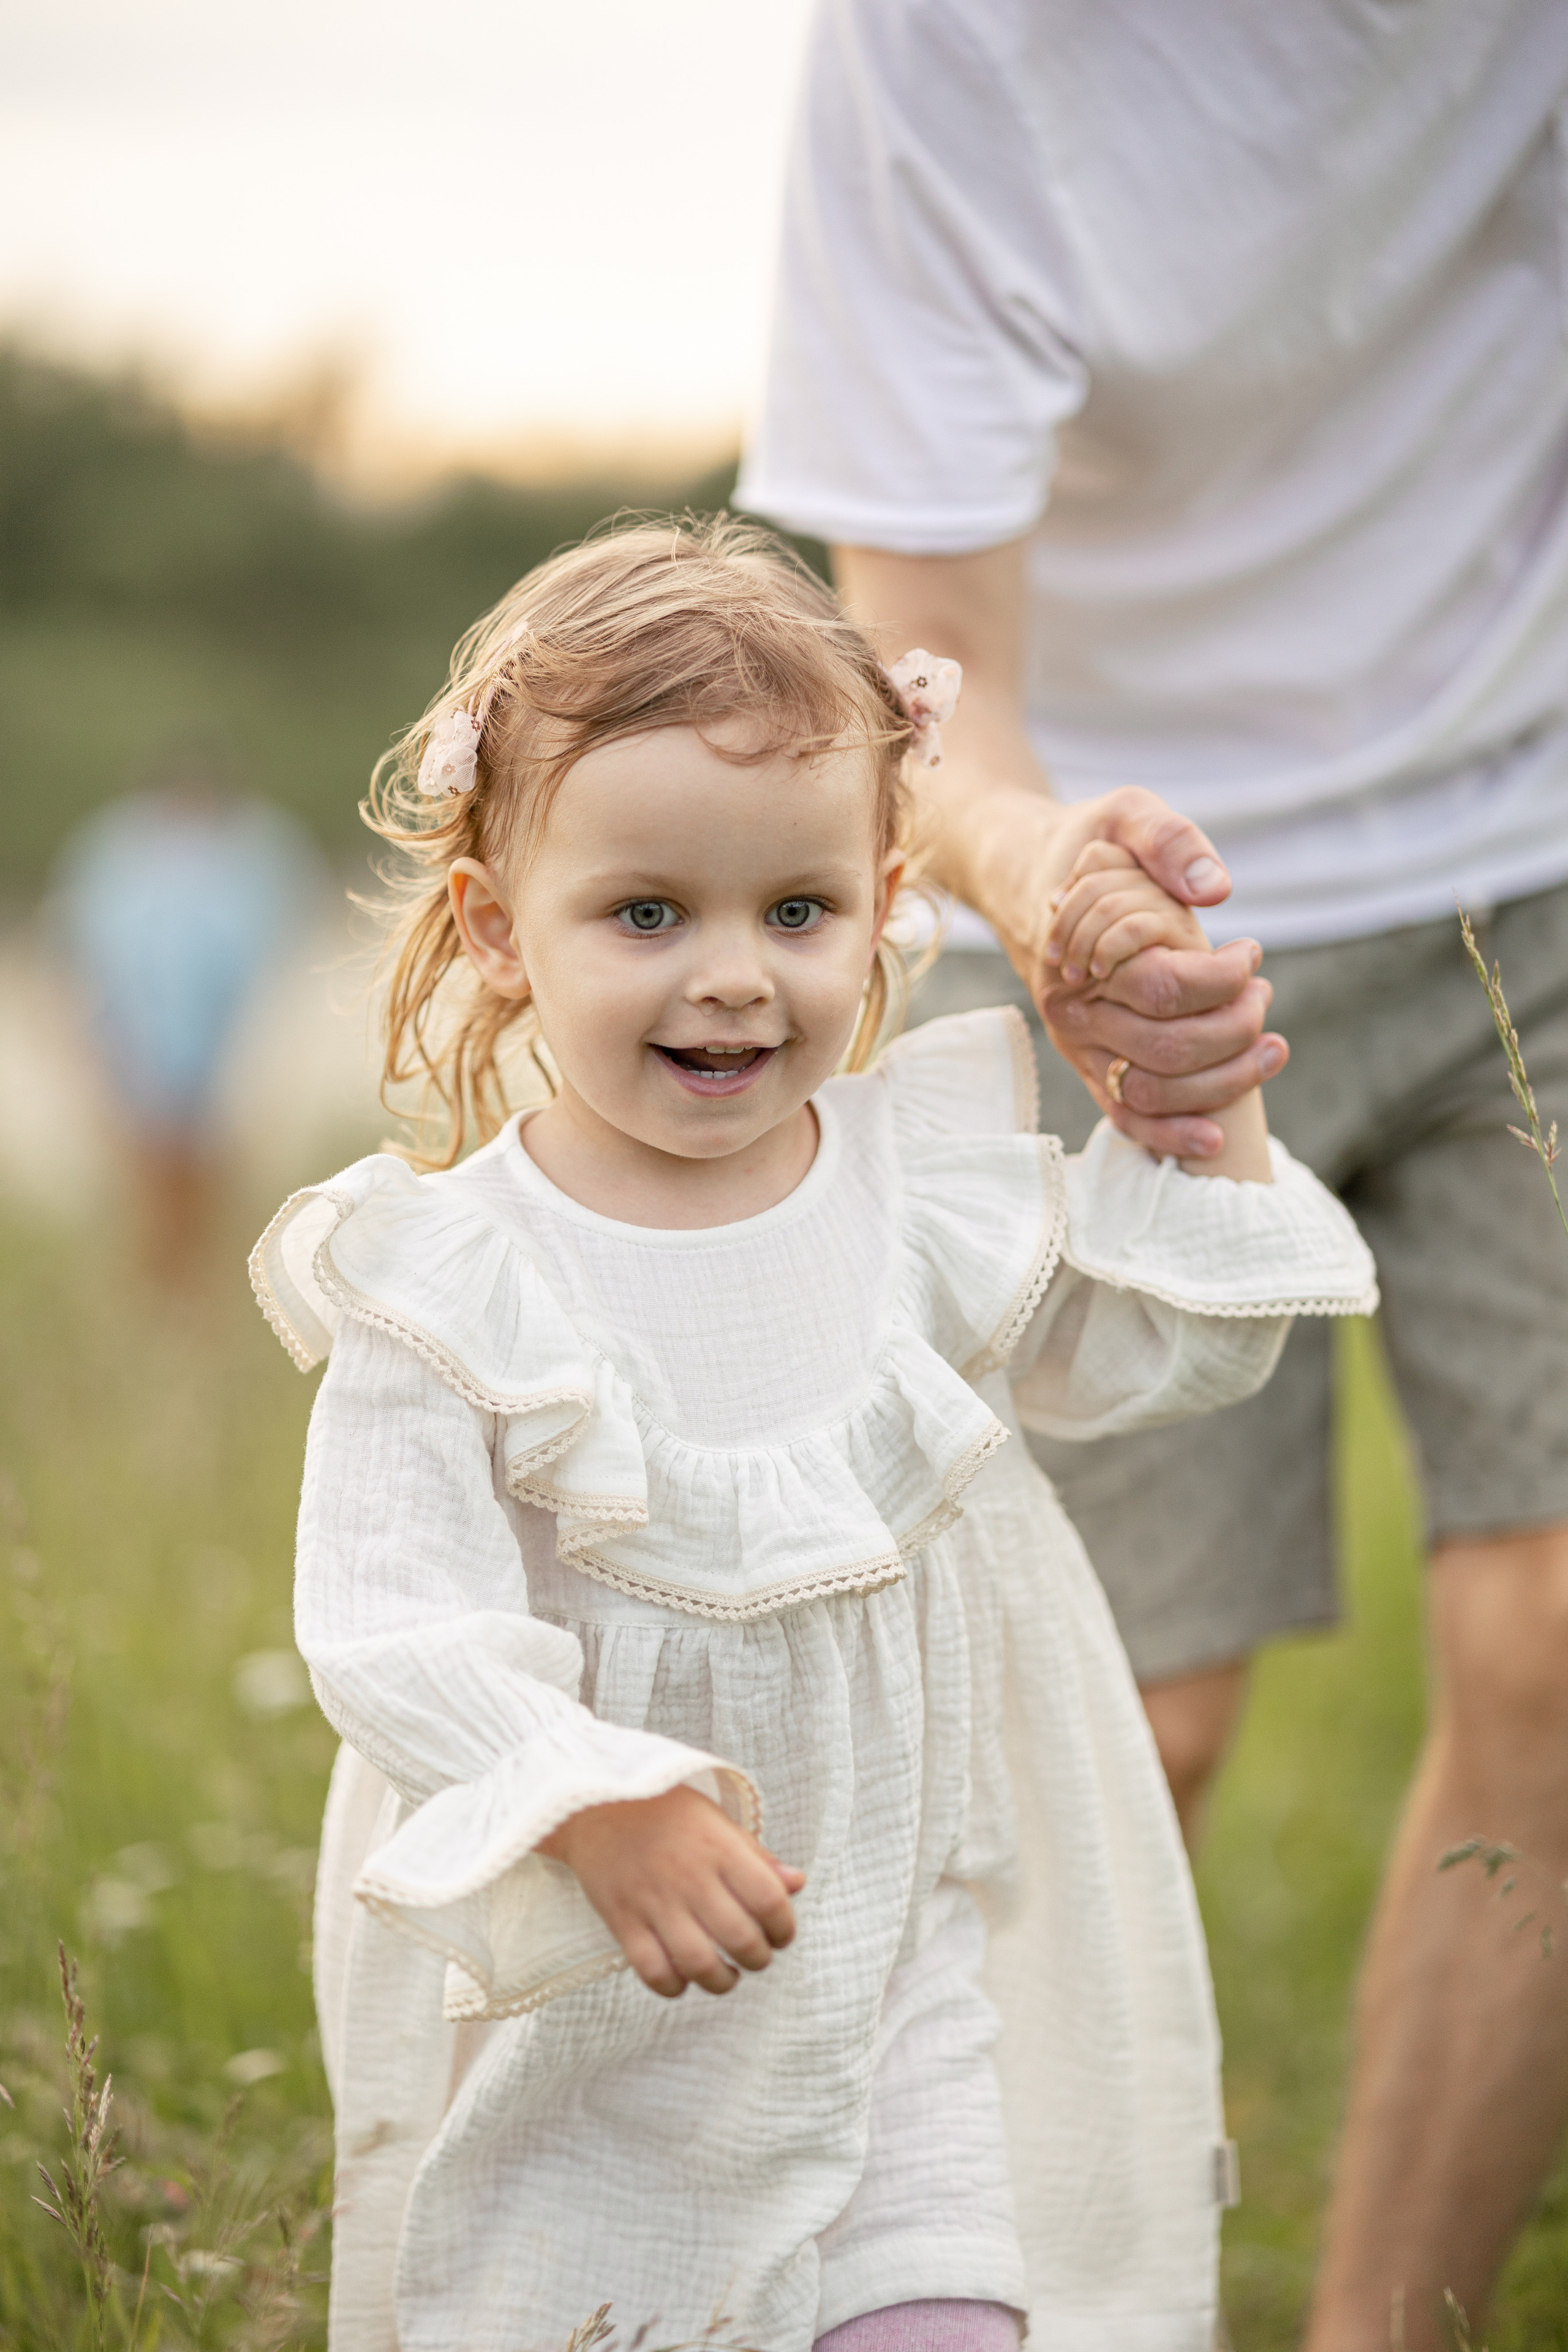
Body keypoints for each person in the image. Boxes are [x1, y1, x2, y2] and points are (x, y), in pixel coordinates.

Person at [248, 519, 1373, 2350]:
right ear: (495, 931)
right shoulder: (443, 1275)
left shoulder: (917, 1191)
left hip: (891, 1968)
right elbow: (393, 1619)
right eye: (644, 912)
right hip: (589, 2008)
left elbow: (1164, 1349)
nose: (734, 976)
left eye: (796, 910)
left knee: (941, 2307)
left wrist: (1188, 1108)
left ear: (882, 902)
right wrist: (595, 1796)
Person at [735, 3, 1568, 2339]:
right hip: (1104, 874)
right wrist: (1043, 882)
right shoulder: (952, 44)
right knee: (1122, 1723)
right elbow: (919, 656)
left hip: (1544, 836)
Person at [54, 758, 319, 1274]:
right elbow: (94, 965)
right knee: (151, 1184)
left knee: (208, 1183)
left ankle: (195, 1298)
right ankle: (168, 1297)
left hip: (216, 1051)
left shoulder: (252, 854)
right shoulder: (119, 855)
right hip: (137, 1050)